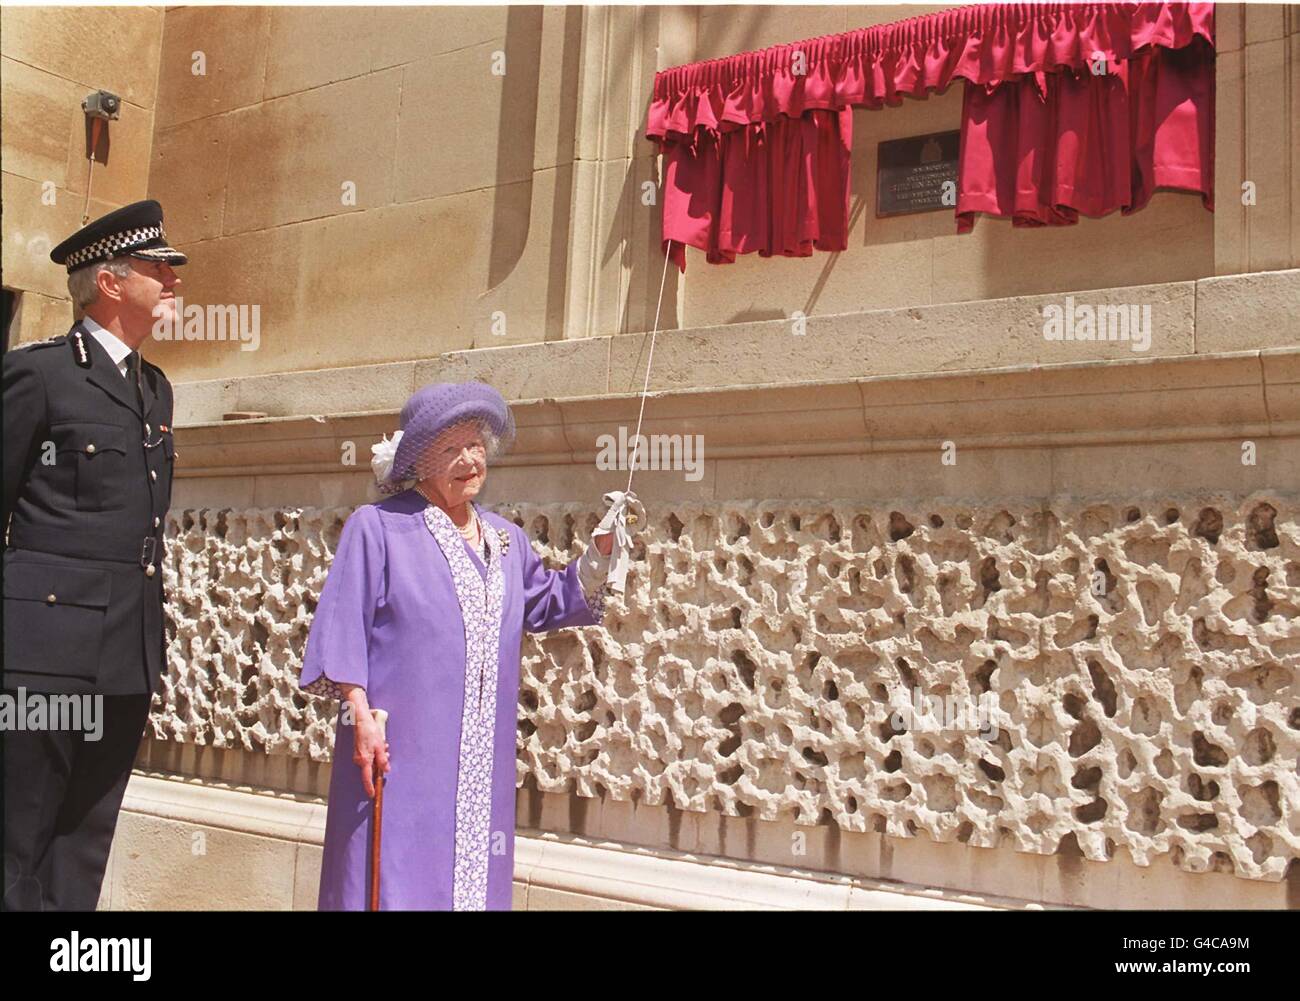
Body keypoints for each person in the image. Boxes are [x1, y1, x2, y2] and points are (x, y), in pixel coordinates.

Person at [298, 381, 641, 910]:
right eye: (449, 448)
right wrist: (359, 716)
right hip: (399, 751)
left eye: (475, 445)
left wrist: (598, 555)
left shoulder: (506, 539)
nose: (468, 460)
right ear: (419, 461)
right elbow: (343, 626)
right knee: (391, 876)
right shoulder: (378, 528)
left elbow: (546, 602)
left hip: (482, 757)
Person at [2, 199, 184, 910]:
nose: (174, 282)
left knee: (84, 839)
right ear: (109, 283)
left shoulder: (155, 387)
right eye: (159, 268)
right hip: (42, 654)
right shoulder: (39, 375)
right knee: (18, 834)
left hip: (125, 652)